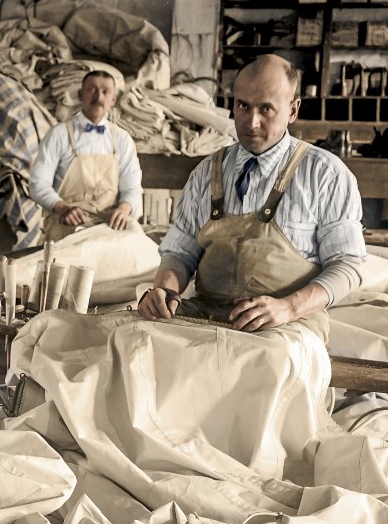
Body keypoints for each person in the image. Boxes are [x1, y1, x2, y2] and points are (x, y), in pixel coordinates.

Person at [138, 54, 365, 336]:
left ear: (293, 110)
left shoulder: (325, 174)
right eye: (243, 106)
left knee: (265, 368)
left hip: (287, 325)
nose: (251, 122)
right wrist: (164, 290)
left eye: (266, 109)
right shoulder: (206, 173)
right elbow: (180, 254)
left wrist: (288, 307)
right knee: (136, 344)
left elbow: (347, 266)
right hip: (206, 315)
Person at [29, 70, 145, 241]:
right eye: (92, 89)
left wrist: (124, 209)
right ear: (80, 94)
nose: (99, 97)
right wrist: (63, 208)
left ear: (113, 100)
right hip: (67, 223)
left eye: (105, 92)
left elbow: (132, 188)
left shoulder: (122, 139)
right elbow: (38, 184)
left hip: (110, 226)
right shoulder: (58, 134)